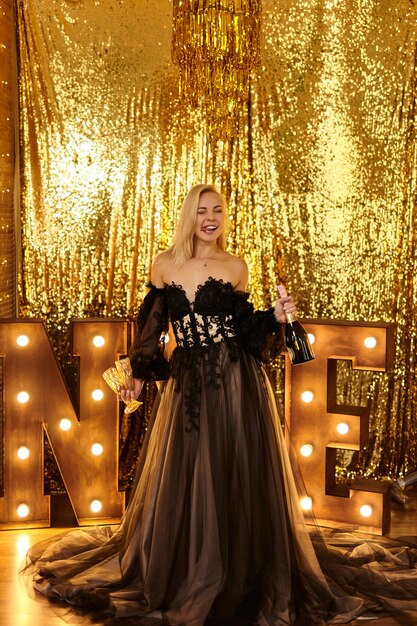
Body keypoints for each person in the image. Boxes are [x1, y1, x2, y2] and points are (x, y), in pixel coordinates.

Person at [21, 184, 417, 625]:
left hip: (235, 379)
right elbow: (152, 329)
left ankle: (238, 568)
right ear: (190, 216)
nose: (211, 218)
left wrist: (277, 317)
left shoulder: (235, 266)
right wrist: (136, 371)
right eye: (203, 211)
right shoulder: (165, 265)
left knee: (233, 468)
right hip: (188, 382)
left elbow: (247, 332)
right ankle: (190, 564)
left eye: (218, 211)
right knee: (192, 470)